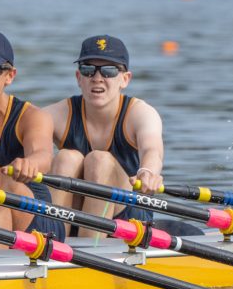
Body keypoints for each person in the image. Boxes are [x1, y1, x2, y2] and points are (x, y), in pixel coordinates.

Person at [42, 35, 164, 237]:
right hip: (73, 217)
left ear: (125, 79)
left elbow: (152, 150)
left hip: (129, 218)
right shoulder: (57, 114)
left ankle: (87, 246)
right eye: (88, 69)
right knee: (66, 158)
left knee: (99, 160)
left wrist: (148, 172)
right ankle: (53, 240)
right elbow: (21, 129)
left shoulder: (141, 113)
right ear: (78, 78)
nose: (97, 78)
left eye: (108, 71)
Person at [0, 29, 65, 248]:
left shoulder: (31, 116)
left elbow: (43, 155)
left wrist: (30, 163)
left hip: (38, 222)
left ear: (10, 75)